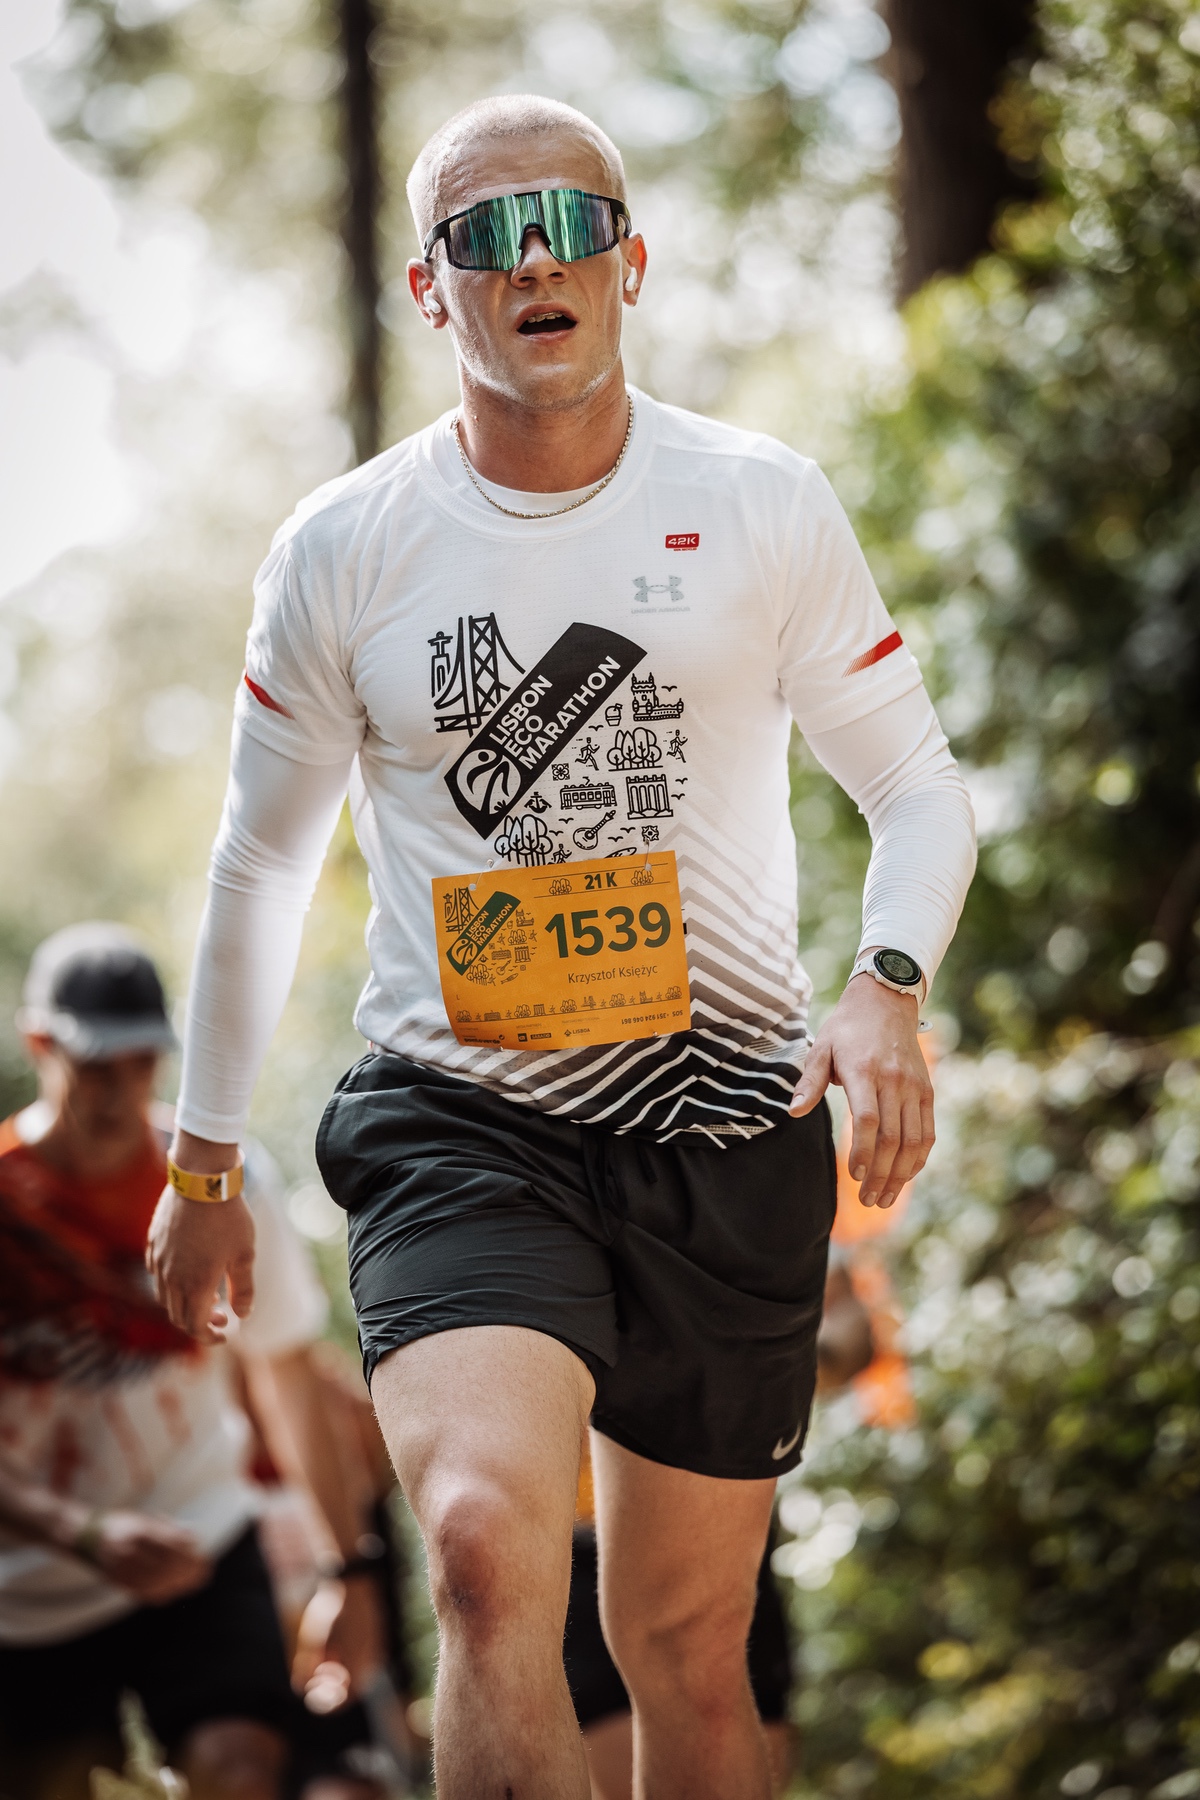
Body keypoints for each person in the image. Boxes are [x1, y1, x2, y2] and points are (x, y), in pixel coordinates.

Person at [147, 94, 976, 1800]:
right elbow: (260, 864)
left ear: (630, 261)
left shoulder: (757, 502)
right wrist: (205, 1160)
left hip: (724, 1124)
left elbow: (917, 788)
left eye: (570, 224)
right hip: (466, 1121)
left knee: (688, 1649)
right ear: (428, 287)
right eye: (486, 234)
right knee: (481, 1553)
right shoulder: (344, 549)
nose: (535, 262)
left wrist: (887, 985)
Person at [0, 924, 388, 1799]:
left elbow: (286, 1376)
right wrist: (80, 1532)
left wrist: (350, 1570)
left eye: (141, 1060)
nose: (121, 1088)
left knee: (240, 1768)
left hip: (201, 1537)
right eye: (96, 1063)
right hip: (25, 1593)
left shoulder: (215, 1181)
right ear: (40, 1044)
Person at [566, 1271, 874, 1800]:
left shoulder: (776, 1231)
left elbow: (849, 1349)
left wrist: (757, 1349)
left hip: (718, 1521)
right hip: (582, 1547)